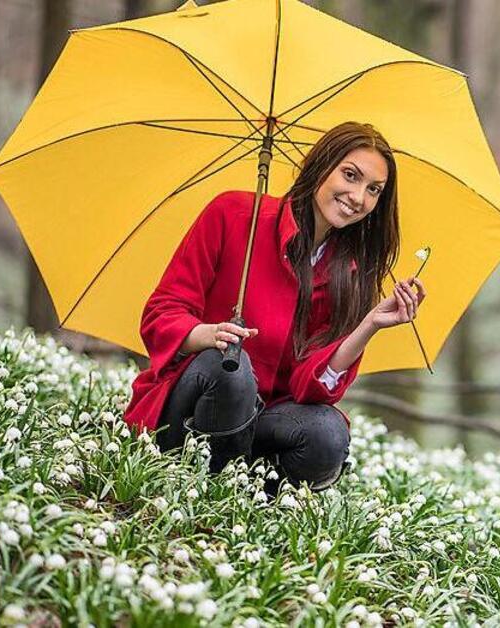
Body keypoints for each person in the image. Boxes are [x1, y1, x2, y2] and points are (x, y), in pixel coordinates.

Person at [121, 121, 425, 494]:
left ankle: (249, 496)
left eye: (373, 189)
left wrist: (369, 325)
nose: (358, 197)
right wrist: (208, 334)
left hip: (262, 420)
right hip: (191, 406)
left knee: (327, 432)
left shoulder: (348, 274)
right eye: (350, 175)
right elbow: (161, 313)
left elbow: (308, 388)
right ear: (322, 166)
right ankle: (210, 485)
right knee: (230, 366)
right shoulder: (233, 215)